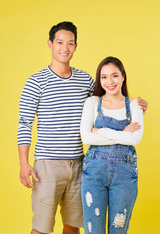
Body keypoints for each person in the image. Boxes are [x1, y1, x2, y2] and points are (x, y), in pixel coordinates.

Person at [18, 21, 147, 234]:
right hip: (48, 164)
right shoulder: (36, 82)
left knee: (74, 226)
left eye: (70, 43)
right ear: (50, 44)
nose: (64, 48)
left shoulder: (85, 79)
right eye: (59, 42)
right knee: (41, 227)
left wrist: (135, 104)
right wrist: (23, 163)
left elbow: (109, 95)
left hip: (80, 164)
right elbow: (24, 123)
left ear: (75, 47)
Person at [80, 56, 144, 234]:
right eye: (104, 77)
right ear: (100, 80)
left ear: (123, 76)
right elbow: (86, 137)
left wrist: (99, 131)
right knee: (93, 230)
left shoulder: (135, 105)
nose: (110, 81)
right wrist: (123, 134)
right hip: (94, 173)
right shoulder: (92, 102)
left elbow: (135, 139)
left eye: (114, 76)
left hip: (125, 174)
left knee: (119, 229)